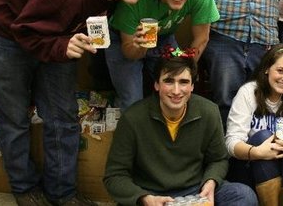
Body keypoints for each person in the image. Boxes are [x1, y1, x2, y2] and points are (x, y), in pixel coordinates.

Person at [0, 0, 158, 206]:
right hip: (8, 31)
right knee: (14, 116)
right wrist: (61, 45)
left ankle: (62, 193)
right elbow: (24, 29)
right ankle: (25, 188)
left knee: (63, 115)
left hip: (60, 31)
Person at [103, 55, 257, 206]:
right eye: (169, 81)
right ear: (156, 85)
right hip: (150, 193)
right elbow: (115, 176)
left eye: (183, 82)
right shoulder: (133, 118)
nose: (176, 91)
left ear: (192, 86)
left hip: (195, 190)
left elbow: (218, 159)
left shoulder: (208, 111)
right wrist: (143, 198)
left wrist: (211, 181)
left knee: (243, 195)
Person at [105, 0, 220, 110]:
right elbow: (130, 52)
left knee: (176, 92)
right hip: (126, 39)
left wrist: (185, 68)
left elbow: (201, 38)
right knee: (132, 101)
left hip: (164, 36)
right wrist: (141, 45)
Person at [225, 44, 283, 205]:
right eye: (280, 71)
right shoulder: (249, 92)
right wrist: (257, 152)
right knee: (264, 136)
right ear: (267, 68)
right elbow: (231, 142)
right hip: (249, 168)